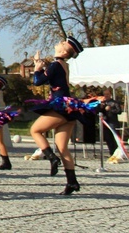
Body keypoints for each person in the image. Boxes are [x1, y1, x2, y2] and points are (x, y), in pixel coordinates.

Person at [29, 36, 98, 196]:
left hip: (60, 106)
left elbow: (38, 81)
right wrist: (39, 64)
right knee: (62, 147)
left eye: (62, 43)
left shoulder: (55, 65)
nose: (58, 42)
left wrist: (37, 69)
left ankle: (51, 158)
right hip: (69, 108)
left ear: (63, 50)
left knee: (35, 130)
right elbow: (51, 76)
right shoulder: (63, 65)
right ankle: (72, 182)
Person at [100, 88, 121, 157]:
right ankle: (111, 153)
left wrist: (111, 109)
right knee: (108, 139)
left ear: (110, 95)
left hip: (113, 123)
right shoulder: (103, 102)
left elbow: (119, 111)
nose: (106, 96)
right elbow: (99, 112)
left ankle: (117, 153)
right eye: (105, 94)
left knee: (114, 139)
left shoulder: (115, 102)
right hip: (105, 123)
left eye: (107, 94)